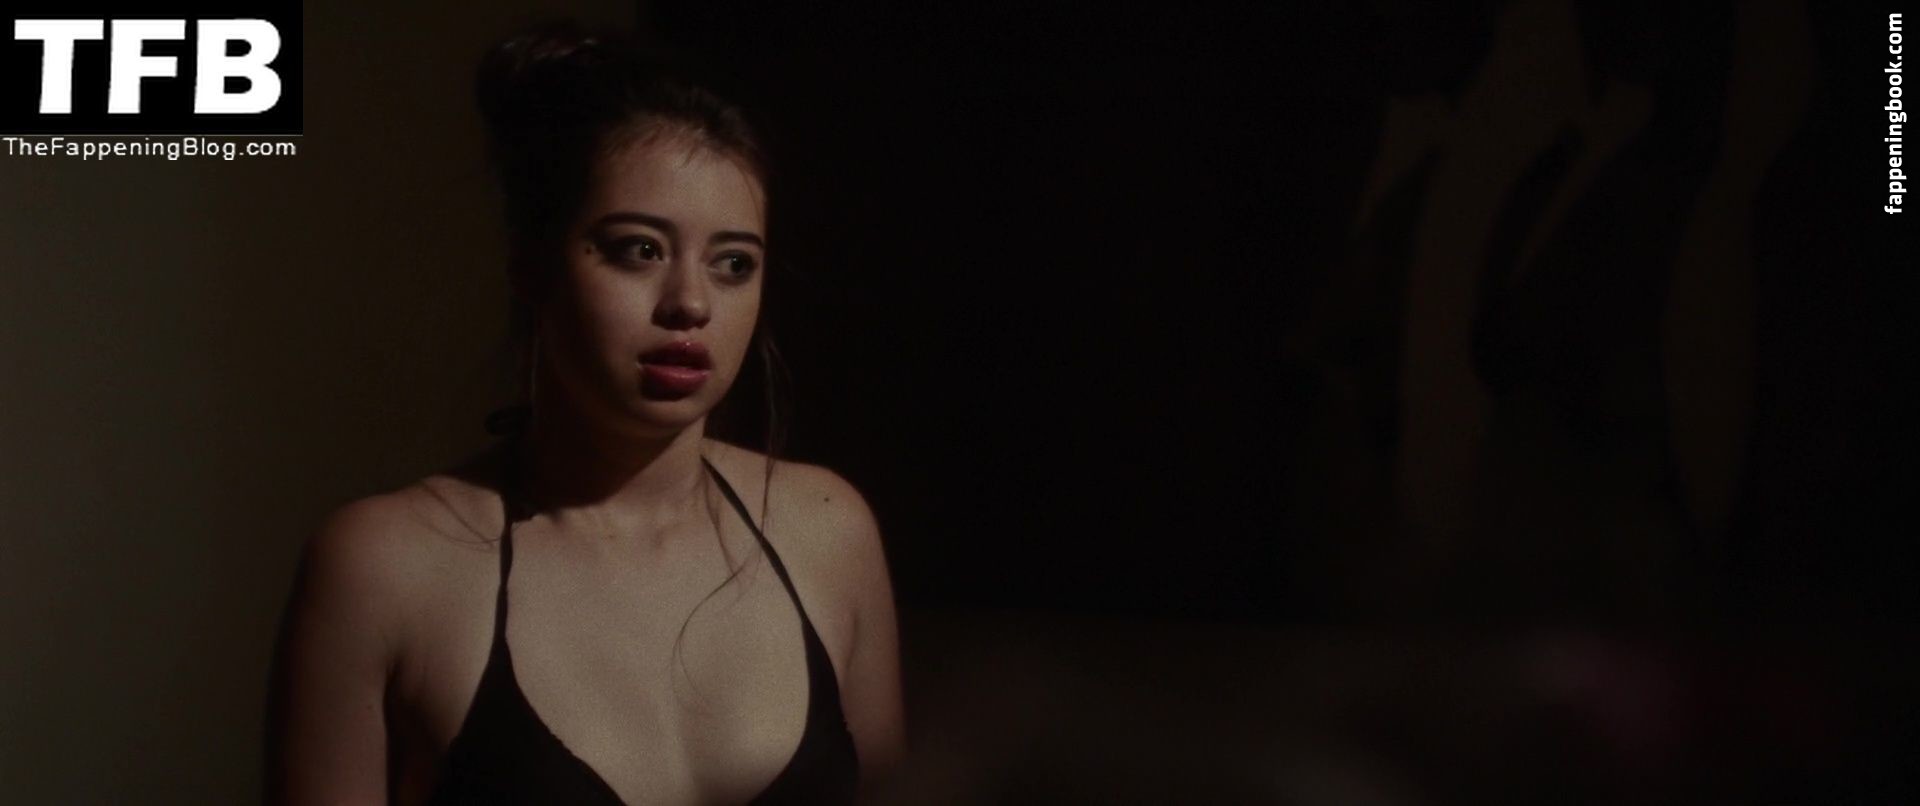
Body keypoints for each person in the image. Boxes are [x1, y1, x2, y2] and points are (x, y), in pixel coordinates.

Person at [266, 22, 906, 805]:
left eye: (733, 263)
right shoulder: (386, 567)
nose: (691, 302)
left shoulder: (826, 530)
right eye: (639, 249)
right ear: (532, 266)